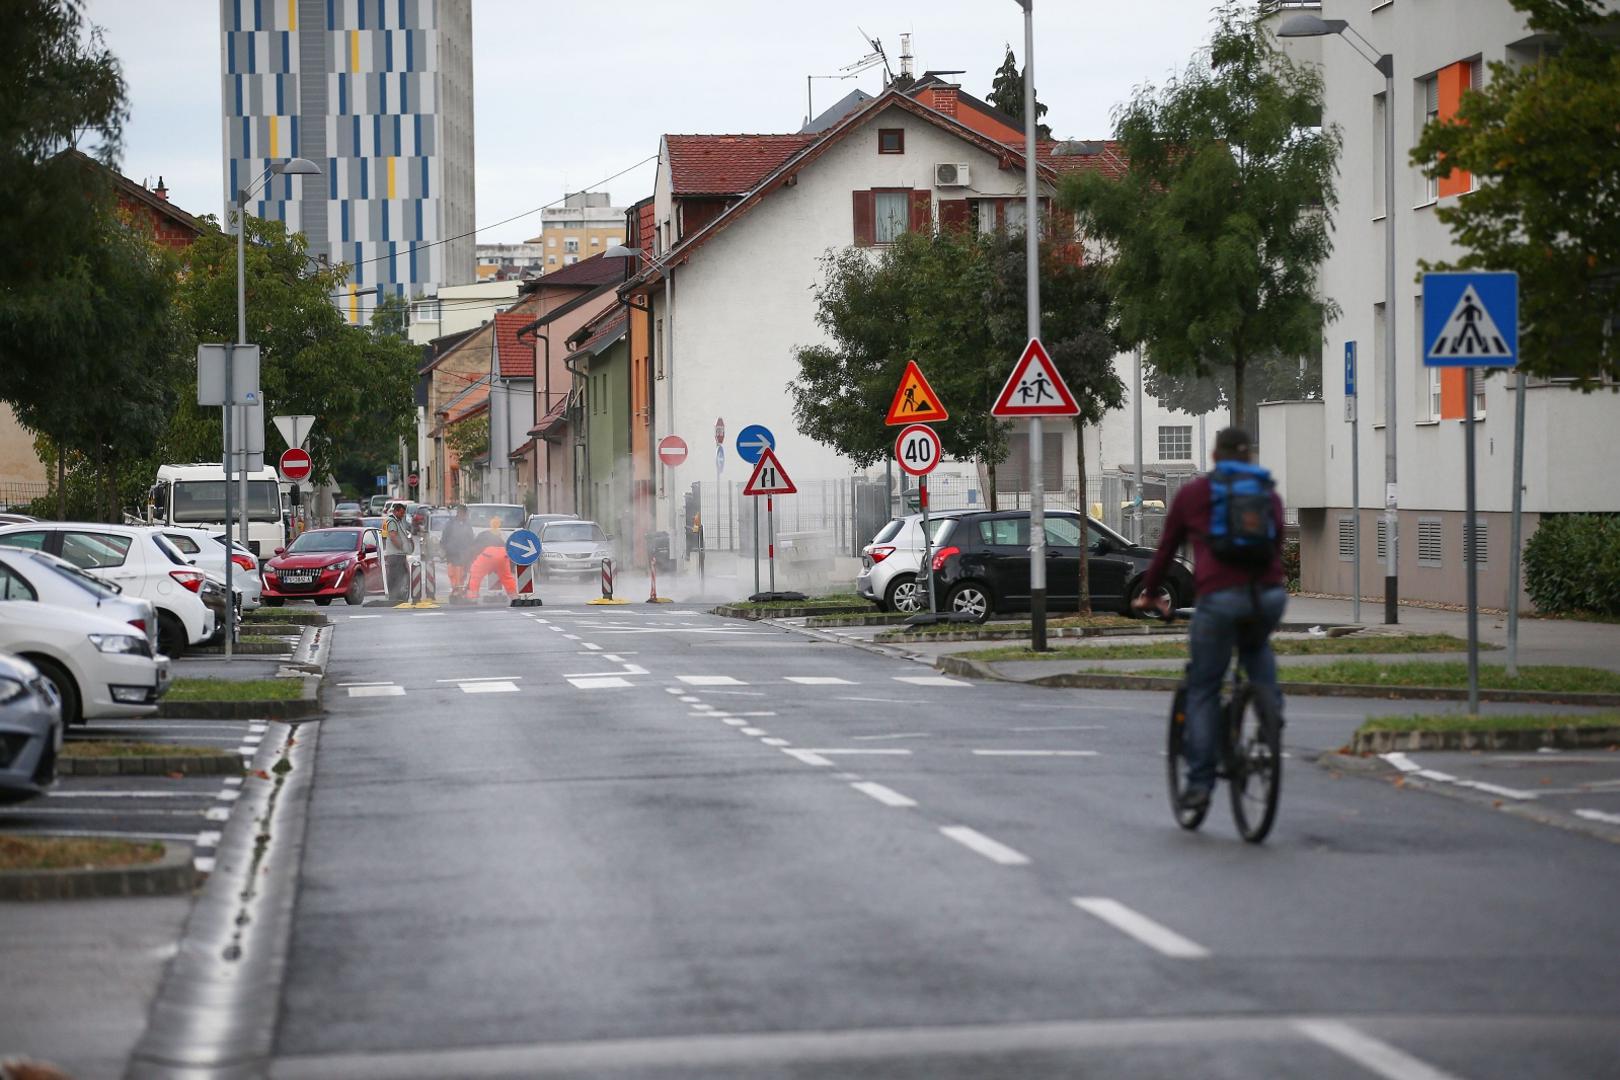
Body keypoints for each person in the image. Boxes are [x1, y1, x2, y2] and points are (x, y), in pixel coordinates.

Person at [1133, 427, 1287, 814]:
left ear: (1215, 456)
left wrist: (1151, 592)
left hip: (1219, 598)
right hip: (1267, 595)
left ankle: (1200, 783)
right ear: (1249, 456)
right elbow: (1278, 540)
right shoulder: (1266, 493)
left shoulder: (1195, 495)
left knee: (1203, 686)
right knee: (1255, 645)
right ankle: (1271, 714)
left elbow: (1166, 548)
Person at [466, 516, 517, 601]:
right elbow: (507, 550)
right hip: (503, 554)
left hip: (488, 554)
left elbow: (473, 550)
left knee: (476, 573)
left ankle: (472, 596)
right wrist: (511, 566)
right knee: (506, 576)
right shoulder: (500, 536)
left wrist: (470, 563)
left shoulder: (481, 536)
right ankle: (513, 595)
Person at [439, 505, 476, 600]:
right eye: (464, 513)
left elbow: (471, 537)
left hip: (464, 552)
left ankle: (458, 590)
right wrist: (443, 548)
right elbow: (445, 536)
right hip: (452, 552)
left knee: (462, 572)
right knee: (452, 572)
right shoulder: (450, 523)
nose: (465, 515)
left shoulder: (467, 524)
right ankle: (455, 589)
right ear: (460, 512)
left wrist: (471, 550)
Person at [381, 501, 415, 602]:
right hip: (395, 555)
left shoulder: (396, 521)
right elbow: (393, 536)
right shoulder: (392, 522)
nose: (403, 515)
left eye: (404, 513)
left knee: (398, 576)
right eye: (401, 512)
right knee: (396, 576)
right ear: (396, 511)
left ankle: (396, 596)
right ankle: (395, 597)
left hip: (396, 555)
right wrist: (401, 547)